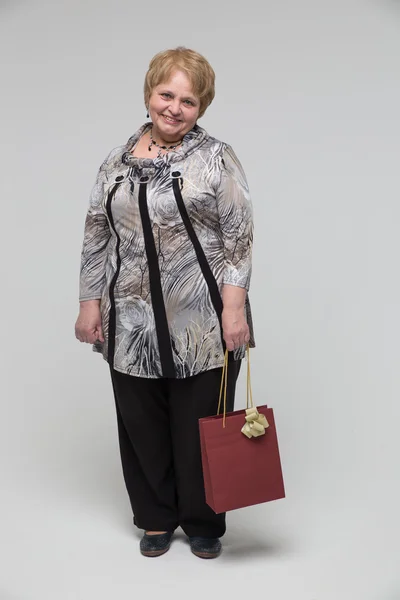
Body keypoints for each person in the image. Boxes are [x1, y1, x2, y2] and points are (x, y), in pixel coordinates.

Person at [75, 46, 255, 559]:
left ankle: (203, 521)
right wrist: (90, 302)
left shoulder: (216, 157)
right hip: (129, 319)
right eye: (167, 94)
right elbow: (95, 234)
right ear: (150, 93)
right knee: (141, 425)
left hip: (203, 318)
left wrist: (235, 310)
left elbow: (238, 237)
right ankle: (155, 518)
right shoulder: (116, 159)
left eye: (189, 101)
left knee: (203, 422)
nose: (175, 108)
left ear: (202, 108)